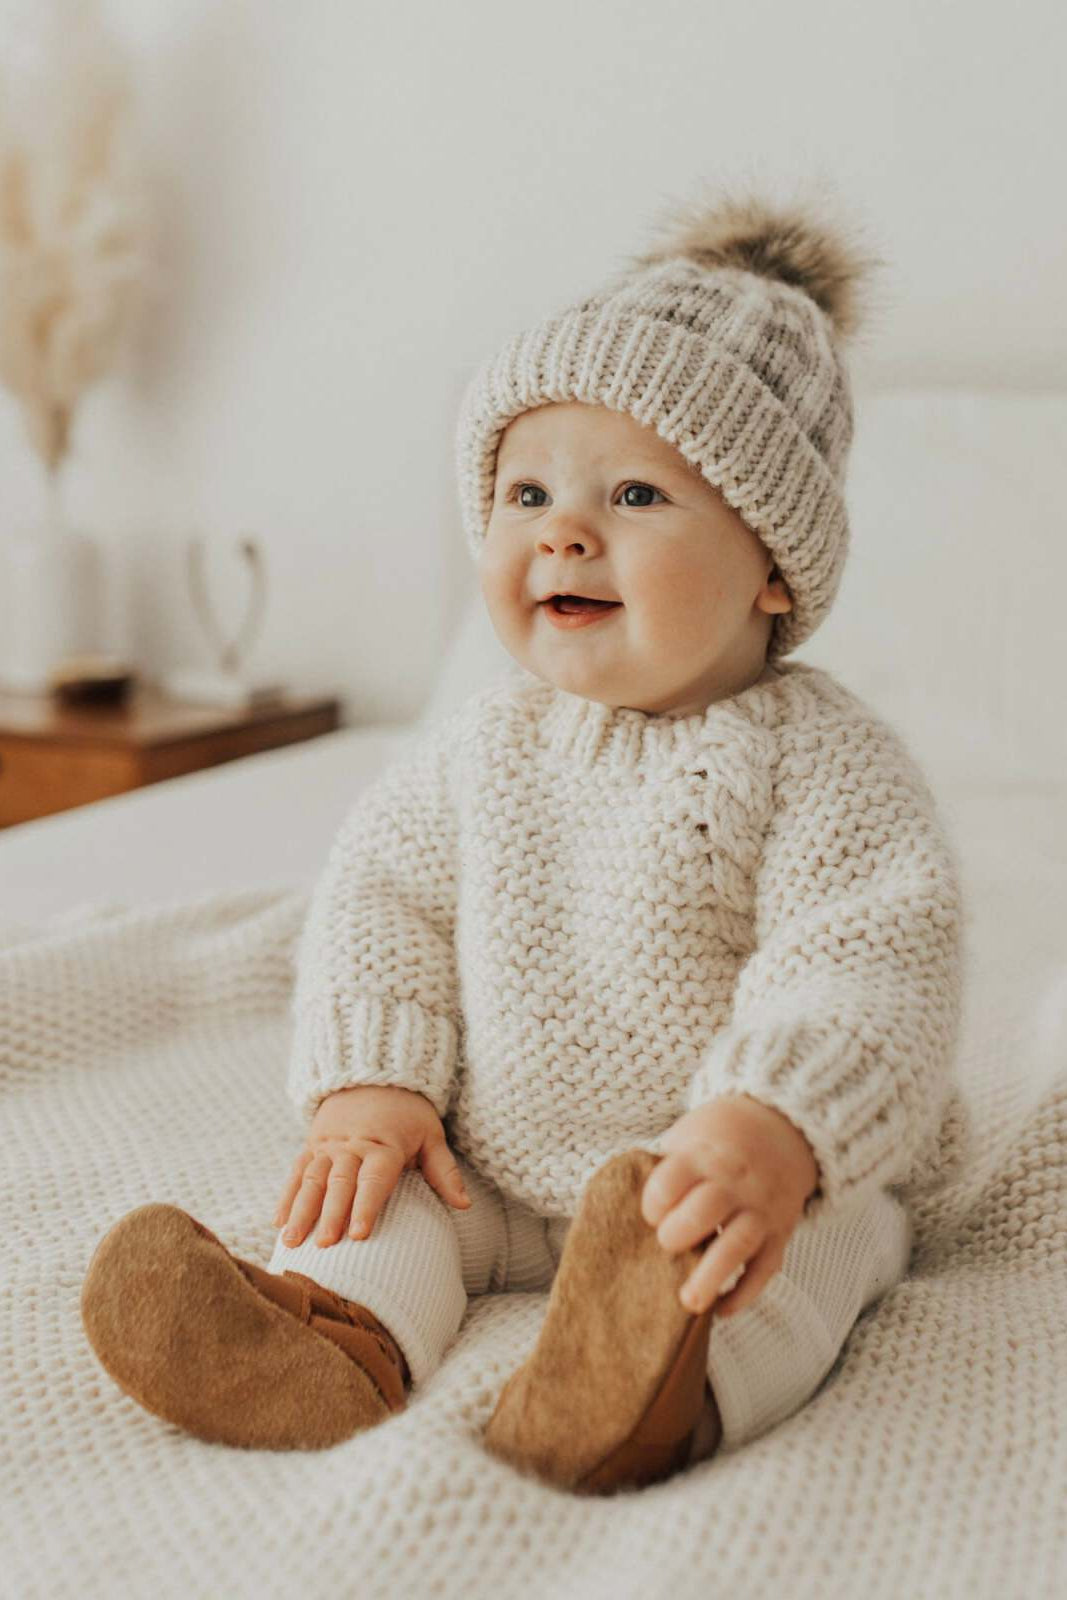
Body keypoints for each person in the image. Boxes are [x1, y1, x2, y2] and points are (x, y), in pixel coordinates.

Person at [80, 181, 966, 1494]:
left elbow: (872, 956)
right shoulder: (478, 750)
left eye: (636, 496)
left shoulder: (826, 764)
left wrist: (776, 1125)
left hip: (723, 1174)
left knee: (797, 1255)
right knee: (377, 1196)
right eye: (526, 489)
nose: (564, 527)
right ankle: (327, 1340)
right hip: (491, 1160)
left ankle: (665, 1382)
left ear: (772, 563)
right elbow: (382, 902)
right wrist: (374, 1083)